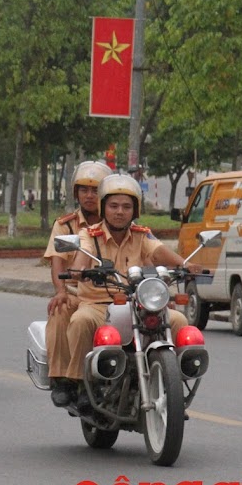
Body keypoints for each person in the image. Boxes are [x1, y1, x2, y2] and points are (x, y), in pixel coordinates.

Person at [64, 174, 201, 409]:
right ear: (103, 207)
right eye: (114, 206)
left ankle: (174, 379)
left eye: (126, 206)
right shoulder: (89, 235)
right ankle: (80, 384)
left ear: (135, 209)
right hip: (99, 304)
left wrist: (185, 265)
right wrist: (78, 271)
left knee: (178, 319)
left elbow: (158, 252)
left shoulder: (141, 234)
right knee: (80, 321)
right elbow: (81, 256)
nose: (120, 212)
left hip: (139, 302)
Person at [44, 161, 112, 407]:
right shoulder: (66, 224)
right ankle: (64, 379)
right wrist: (61, 290)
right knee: (60, 309)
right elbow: (57, 263)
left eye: (95, 190)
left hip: (115, 293)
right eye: (84, 190)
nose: (89, 196)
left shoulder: (117, 219)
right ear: (76, 193)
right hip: (77, 292)